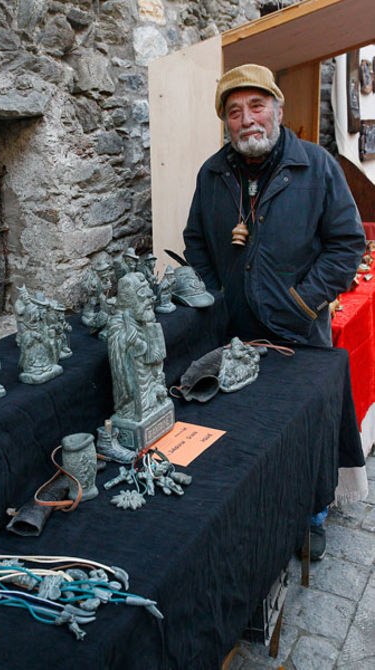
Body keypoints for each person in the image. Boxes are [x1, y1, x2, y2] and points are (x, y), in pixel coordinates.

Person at [183, 63, 366, 560]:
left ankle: (312, 515)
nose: (247, 120)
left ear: (278, 110)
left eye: (256, 106)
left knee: (305, 432)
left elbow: (347, 244)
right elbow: (196, 240)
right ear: (226, 122)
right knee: (250, 430)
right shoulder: (213, 173)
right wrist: (215, 296)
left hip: (300, 333)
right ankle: (258, 510)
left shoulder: (317, 166)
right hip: (234, 333)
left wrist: (302, 302)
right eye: (234, 111)